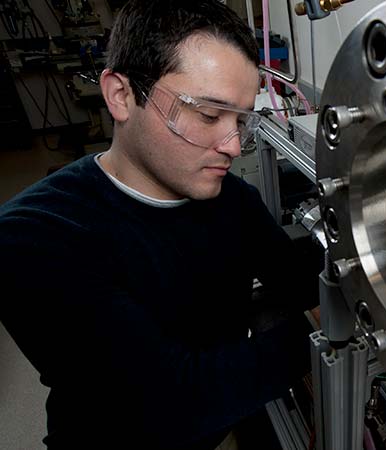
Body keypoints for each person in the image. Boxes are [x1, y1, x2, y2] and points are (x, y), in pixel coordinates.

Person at [0, 1, 319, 448]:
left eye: (241, 121)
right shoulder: (32, 238)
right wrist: (335, 325)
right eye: (209, 115)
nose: (231, 145)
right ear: (121, 95)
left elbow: (299, 281)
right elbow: (174, 402)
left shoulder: (232, 200)